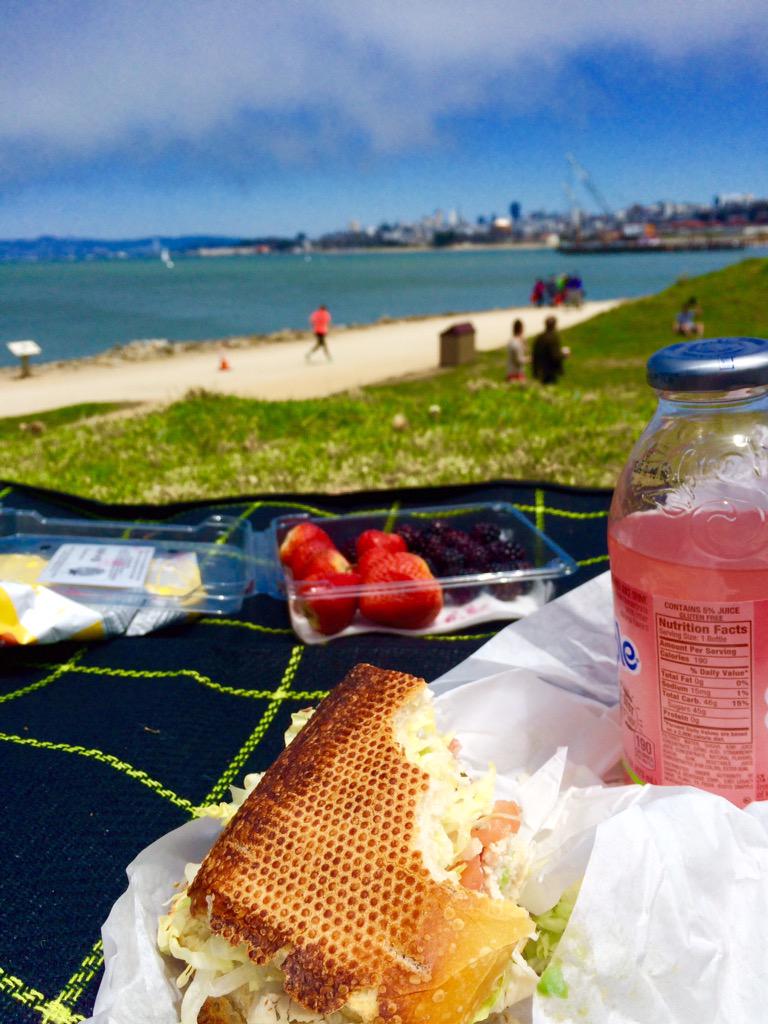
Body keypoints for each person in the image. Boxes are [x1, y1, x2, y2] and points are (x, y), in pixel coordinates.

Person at [532, 315, 570, 384]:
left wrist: (535, 372)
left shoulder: (540, 337)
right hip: (551, 371)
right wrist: (564, 355)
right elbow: (555, 356)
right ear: (554, 325)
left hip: (541, 370)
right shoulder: (553, 338)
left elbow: (535, 355)